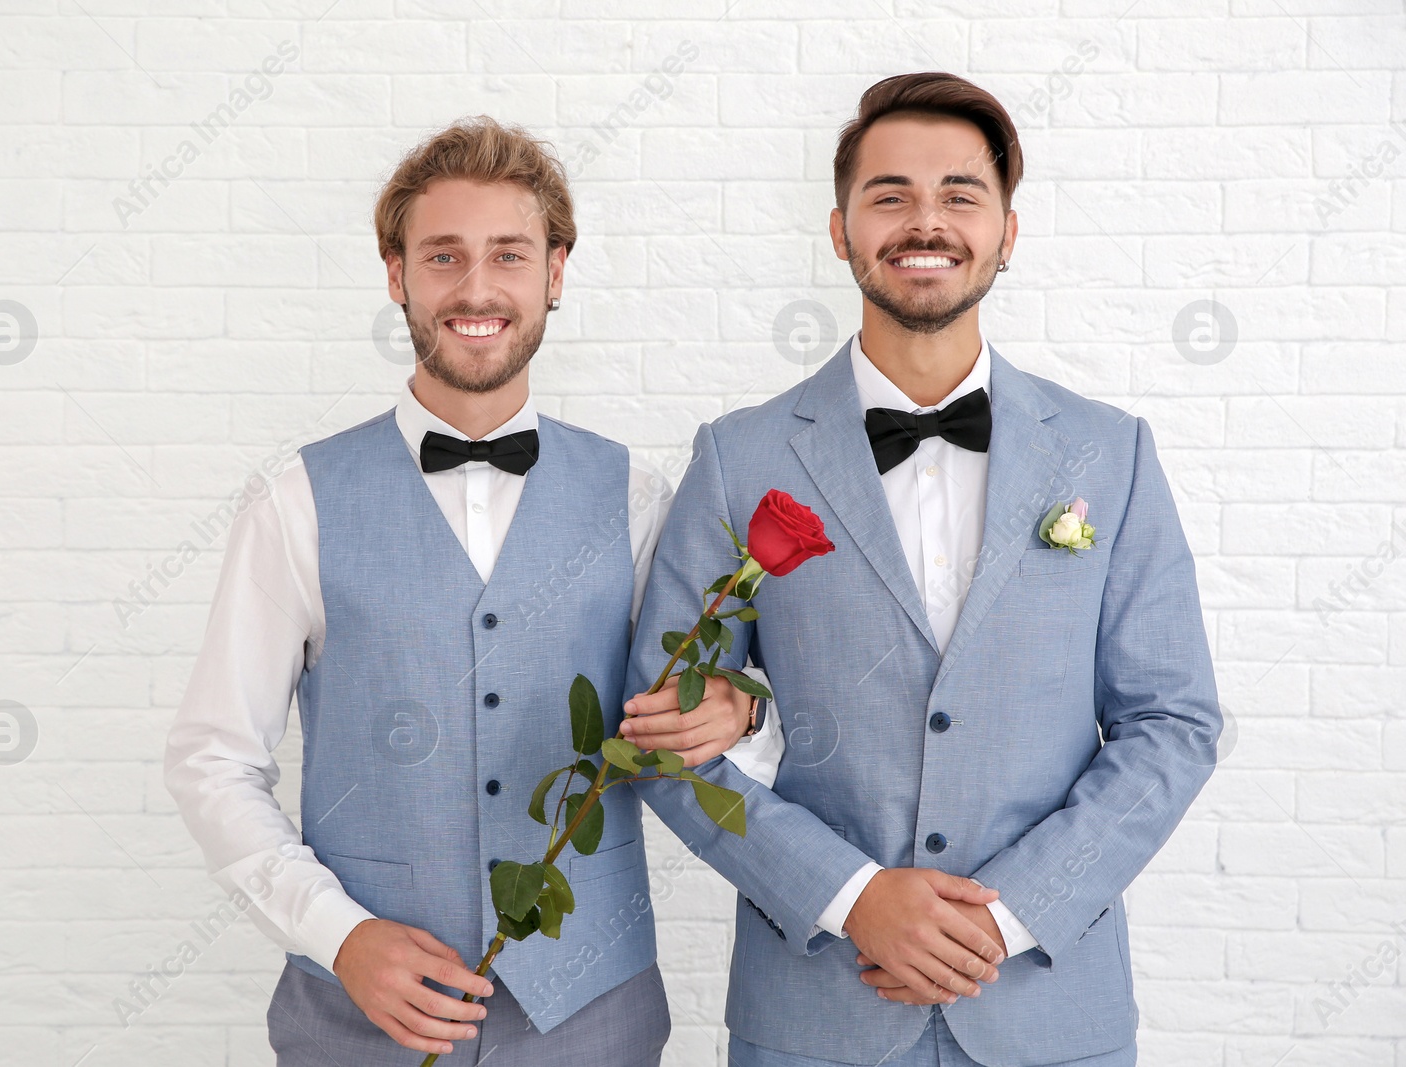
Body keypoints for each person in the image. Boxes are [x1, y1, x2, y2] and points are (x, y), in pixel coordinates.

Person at [623, 71, 1221, 1067]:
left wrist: (1012, 912)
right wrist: (850, 896)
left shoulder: (1108, 454)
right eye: (889, 195)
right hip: (814, 1013)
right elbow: (659, 734)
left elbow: (1173, 720)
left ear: (1006, 231)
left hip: (1048, 1009)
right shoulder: (738, 457)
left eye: (959, 194)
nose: (924, 221)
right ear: (840, 229)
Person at [164, 116, 771, 1066]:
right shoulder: (296, 502)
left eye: (509, 255)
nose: (477, 289)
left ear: (555, 274)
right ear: (396, 274)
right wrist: (339, 935)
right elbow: (214, 758)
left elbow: (695, 712)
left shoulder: (639, 497)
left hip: (595, 1017)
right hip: (355, 1025)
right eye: (443, 256)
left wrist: (736, 708)